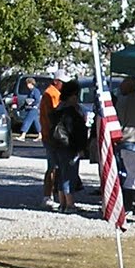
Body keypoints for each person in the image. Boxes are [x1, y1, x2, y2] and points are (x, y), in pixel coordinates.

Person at [49, 80, 88, 213]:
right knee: (69, 175)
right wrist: (81, 148)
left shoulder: (58, 109)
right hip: (69, 146)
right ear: (72, 96)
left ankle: (62, 203)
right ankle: (70, 204)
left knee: (61, 174)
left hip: (57, 145)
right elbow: (75, 132)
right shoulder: (71, 112)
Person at [38, 76, 65, 206]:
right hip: (51, 136)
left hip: (51, 134)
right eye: (63, 82)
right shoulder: (51, 94)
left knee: (56, 166)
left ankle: (52, 194)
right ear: (56, 81)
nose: (64, 85)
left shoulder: (53, 93)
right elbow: (54, 116)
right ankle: (47, 195)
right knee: (53, 166)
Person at [16, 76, 41, 140]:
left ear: (31, 83)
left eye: (28, 83)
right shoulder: (30, 91)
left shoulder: (36, 91)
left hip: (33, 109)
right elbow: (27, 101)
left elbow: (37, 100)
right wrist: (22, 107)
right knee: (36, 122)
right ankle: (40, 134)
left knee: (27, 121)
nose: (27, 85)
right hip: (30, 108)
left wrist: (32, 104)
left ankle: (23, 135)